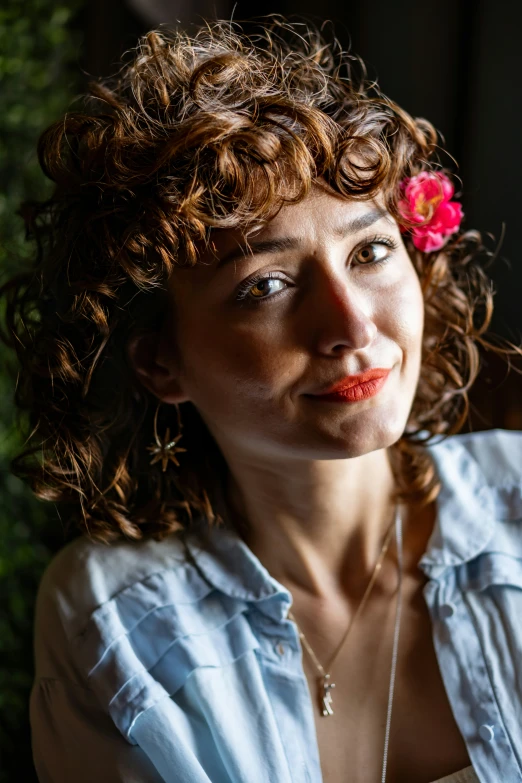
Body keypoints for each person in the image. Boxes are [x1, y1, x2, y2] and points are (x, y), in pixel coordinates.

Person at [2, 15, 521, 783]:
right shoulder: (116, 619)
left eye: (371, 251)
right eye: (267, 286)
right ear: (159, 360)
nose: (350, 325)